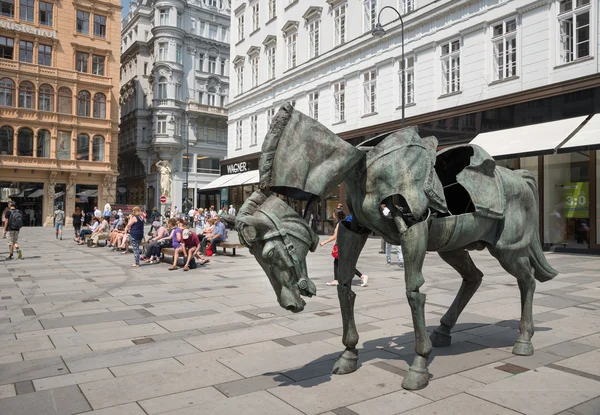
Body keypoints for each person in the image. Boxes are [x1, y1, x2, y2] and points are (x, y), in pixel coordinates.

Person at [320, 210, 368, 287]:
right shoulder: (344, 223)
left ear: (336, 215)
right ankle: (337, 280)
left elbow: (335, 236)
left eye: (333, 214)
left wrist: (324, 242)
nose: (332, 215)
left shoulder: (340, 224)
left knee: (344, 264)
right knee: (338, 263)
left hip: (341, 246)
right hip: (343, 246)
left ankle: (362, 276)